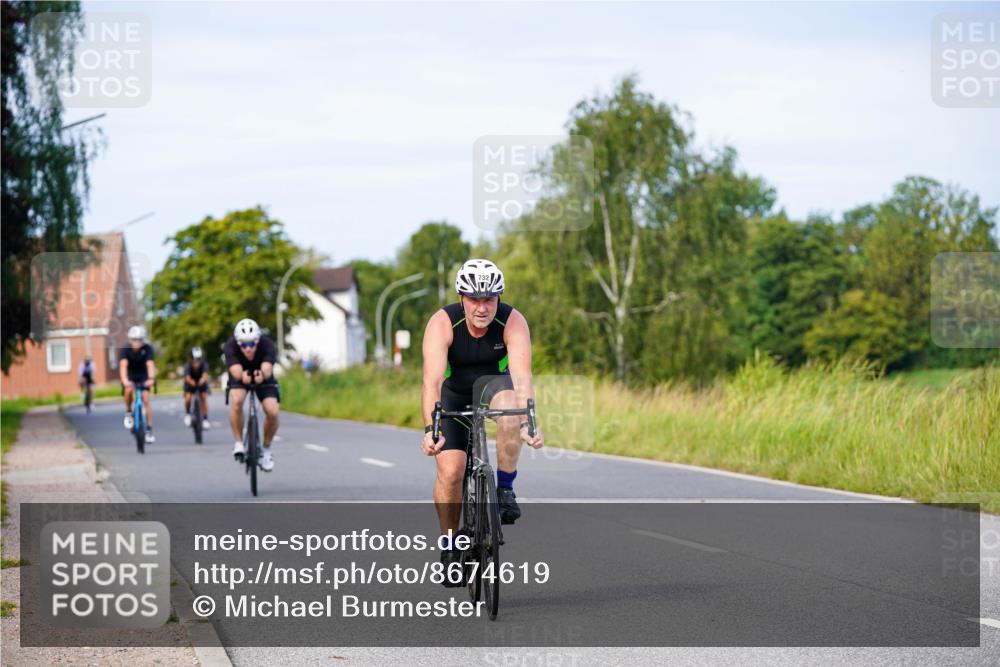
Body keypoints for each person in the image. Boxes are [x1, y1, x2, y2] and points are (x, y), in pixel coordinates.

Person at [420, 259, 544, 583]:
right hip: (455, 395)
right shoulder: (443, 323)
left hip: (495, 386)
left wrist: (529, 419)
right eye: (474, 298)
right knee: (451, 471)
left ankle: (504, 488)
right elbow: (431, 381)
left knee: (511, 411)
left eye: (489, 298)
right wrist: (430, 429)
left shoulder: (512, 321)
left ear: (498, 298)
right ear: (461, 297)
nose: (481, 307)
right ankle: (449, 545)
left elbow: (522, 377)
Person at [224, 318, 280, 472]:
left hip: (263, 376)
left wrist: (262, 374)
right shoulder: (230, 346)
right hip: (240, 376)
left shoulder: (267, 344)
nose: (248, 348)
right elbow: (235, 371)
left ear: (258, 340)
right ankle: (238, 443)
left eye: (251, 343)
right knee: (236, 400)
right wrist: (242, 376)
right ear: (237, 342)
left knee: (272, 411)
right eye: (243, 344)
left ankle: (266, 450)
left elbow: (267, 368)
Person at [119, 325, 157, 443]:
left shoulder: (147, 349)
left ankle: (149, 430)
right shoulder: (125, 350)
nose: (136, 342)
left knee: (145, 399)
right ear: (130, 339)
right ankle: (128, 412)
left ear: (143, 340)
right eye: (134, 339)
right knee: (128, 390)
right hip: (130, 376)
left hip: (143, 376)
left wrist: (151, 378)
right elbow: (123, 366)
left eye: (139, 340)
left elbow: (150, 365)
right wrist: (125, 380)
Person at [182, 346, 211, 430]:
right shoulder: (187, 366)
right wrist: (192, 382)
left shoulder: (204, 365)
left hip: (201, 382)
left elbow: (205, 375)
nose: (196, 362)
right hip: (190, 382)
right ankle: (188, 413)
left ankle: (205, 418)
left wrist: (202, 380)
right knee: (188, 398)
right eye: (195, 360)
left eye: (198, 360)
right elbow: (187, 377)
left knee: (203, 397)